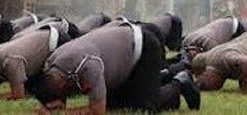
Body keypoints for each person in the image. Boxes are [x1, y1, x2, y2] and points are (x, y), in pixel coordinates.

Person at [31, 21, 200, 114]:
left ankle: (179, 82)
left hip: (143, 47)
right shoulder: (52, 65)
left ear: (61, 86)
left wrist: (64, 113)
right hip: (121, 59)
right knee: (118, 105)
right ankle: (163, 84)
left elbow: (97, 110)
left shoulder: (86, 65)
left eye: (61, 98)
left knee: (145, 106)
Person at [0, 17, 75, 100]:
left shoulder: (10, 62)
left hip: (58, 39)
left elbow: (18, 96)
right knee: (34, 90)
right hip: (45, 33)